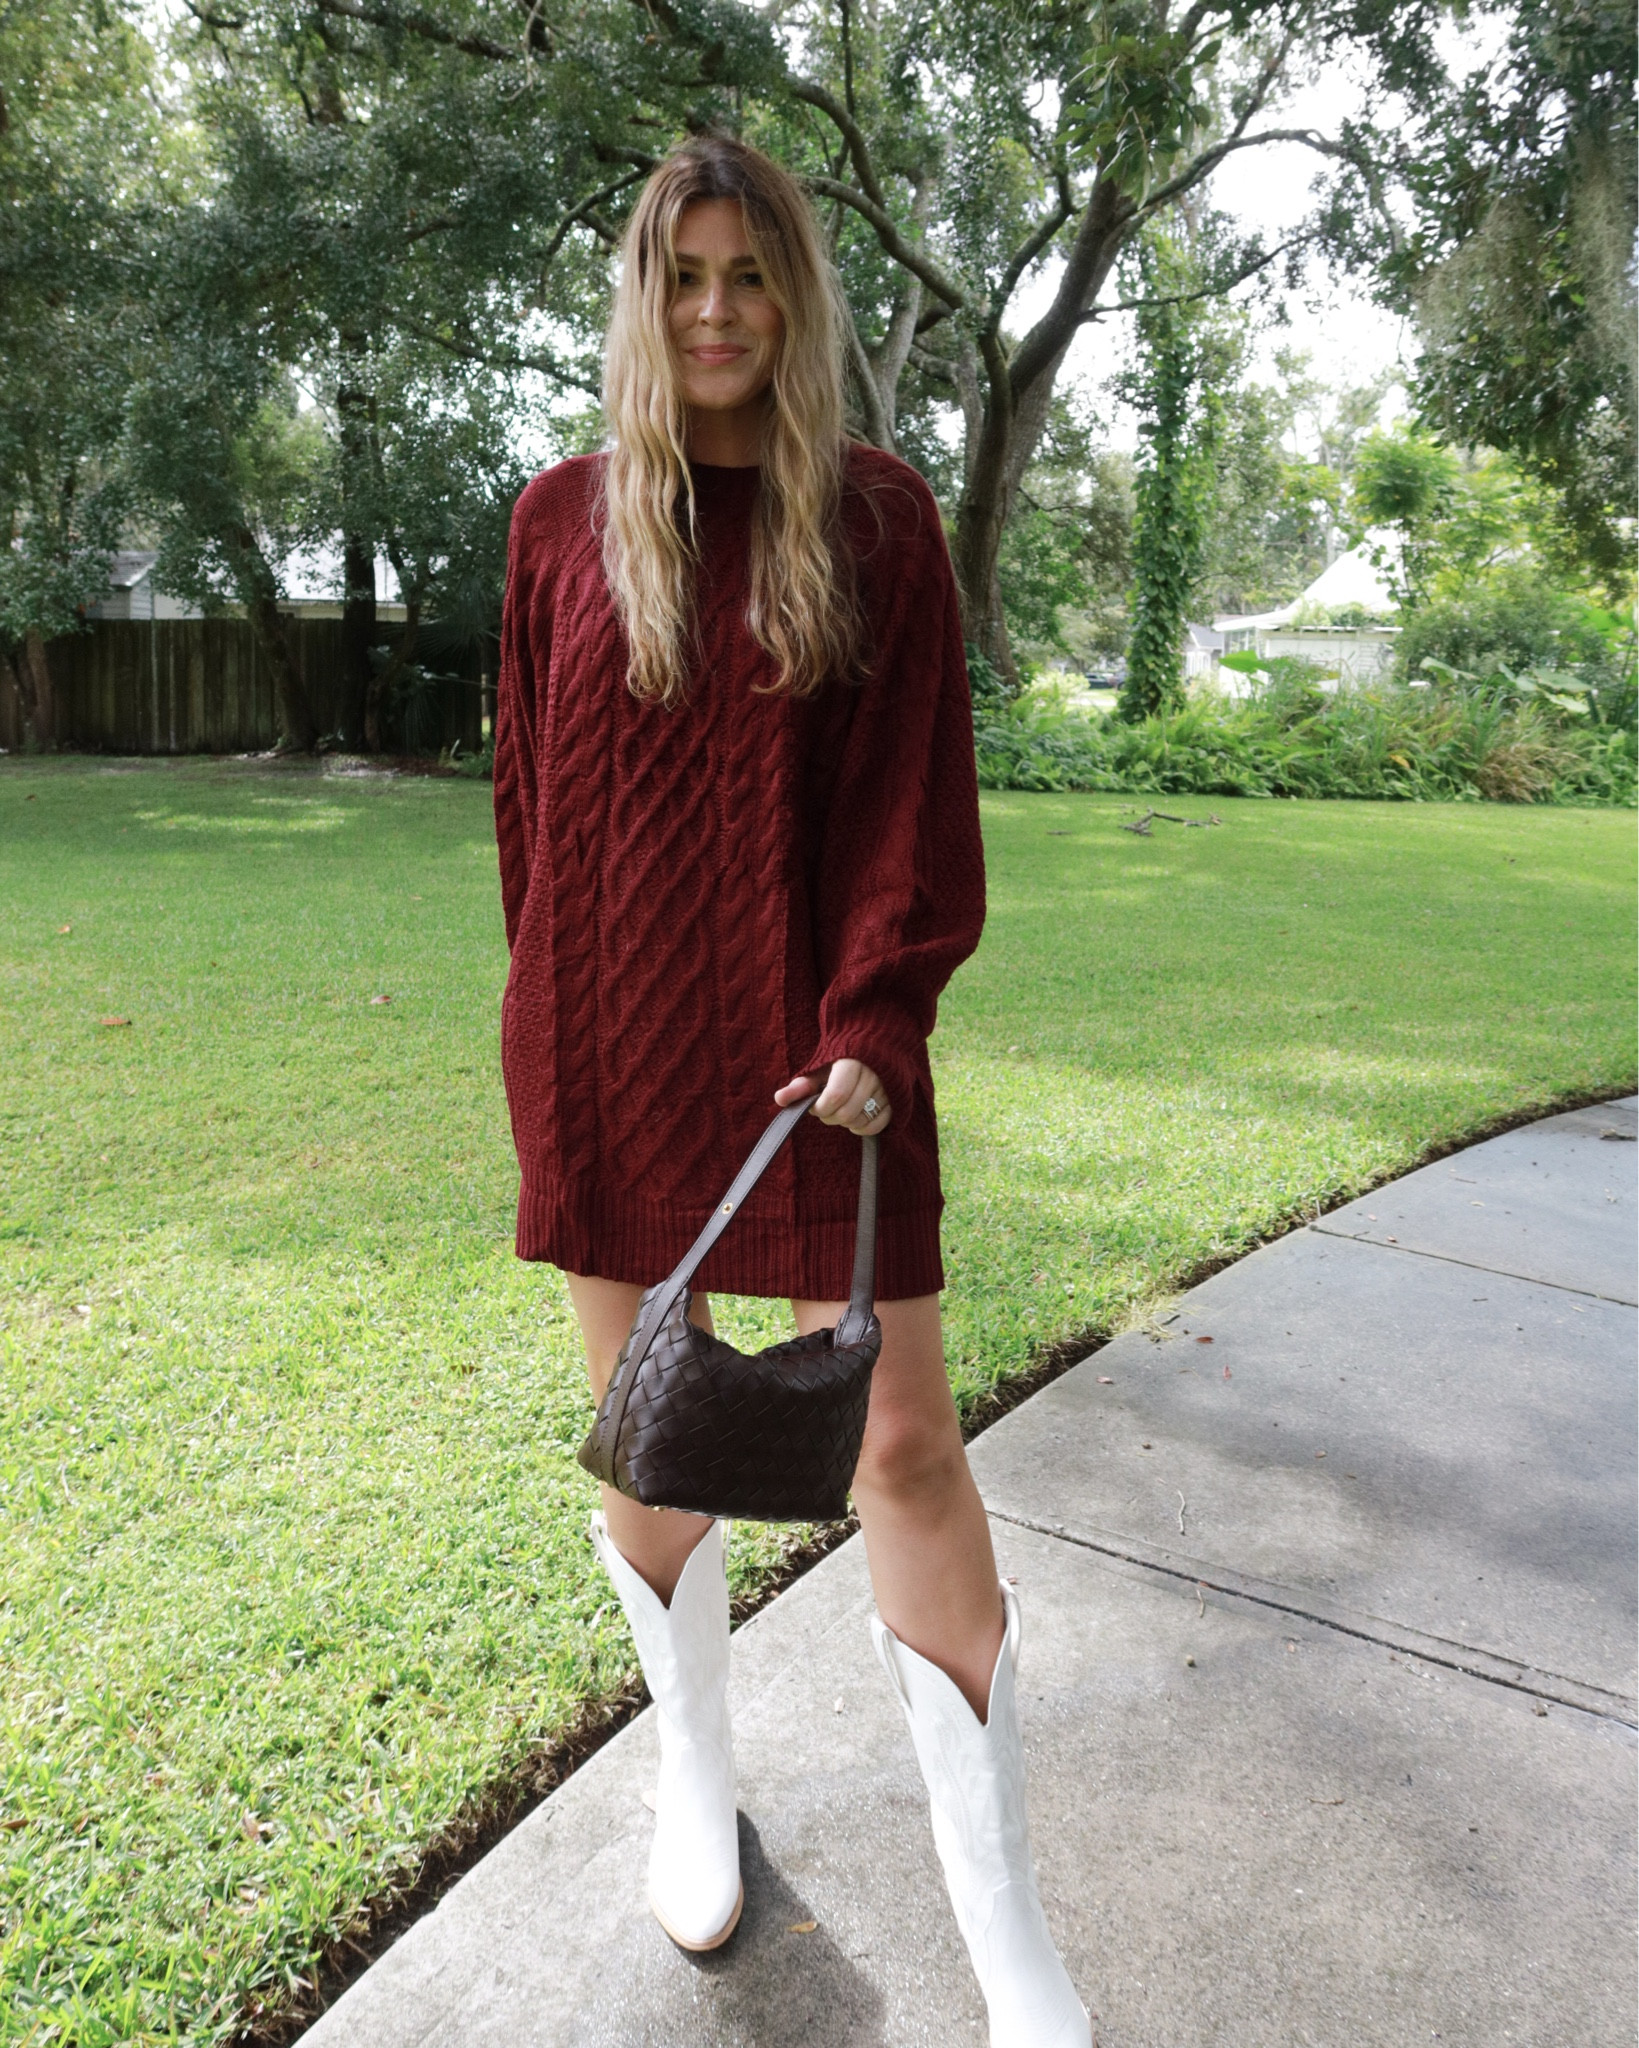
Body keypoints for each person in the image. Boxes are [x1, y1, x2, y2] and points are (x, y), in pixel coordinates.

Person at [493, 135, 1091, 2048]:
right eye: (683, 276)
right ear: (641, 299)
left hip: (826, 1067)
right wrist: (546, 1036)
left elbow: (913, 804)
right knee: (653, 1439)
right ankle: (694, 1781)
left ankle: (1008, 1938)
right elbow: (530, 818)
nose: (718, 310)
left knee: (902, 1446)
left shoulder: (880, 517)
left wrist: (876, 1022)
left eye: (750, 274)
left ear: (797, 294)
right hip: (606, 1050)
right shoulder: (557, 521)